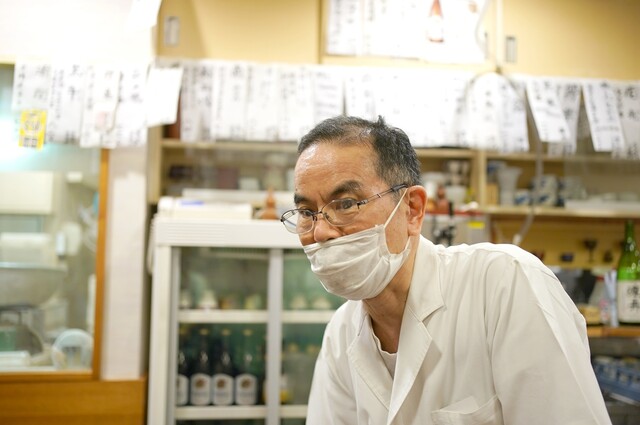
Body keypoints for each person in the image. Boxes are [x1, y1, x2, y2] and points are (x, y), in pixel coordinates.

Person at [279, 115, 611, 425]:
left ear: (412, 210)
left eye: (346, 204)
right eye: (306, 212)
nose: (320, 232)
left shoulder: (506, 283)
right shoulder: (341, 335)